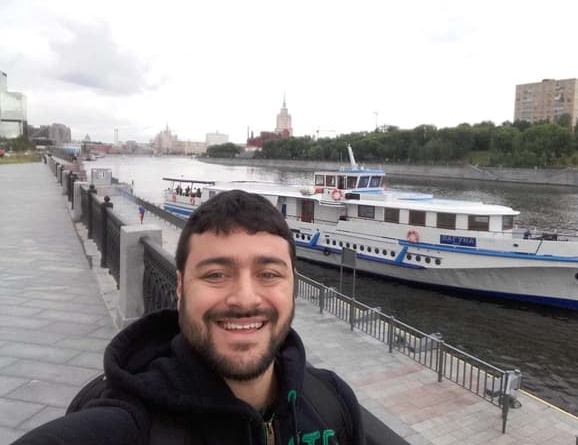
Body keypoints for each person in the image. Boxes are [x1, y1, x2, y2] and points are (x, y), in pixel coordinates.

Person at [12, 190, 364, 445]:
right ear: (180, 287)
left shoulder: (332, 400)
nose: (244, 298)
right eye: (215, 275)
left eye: (269, 274)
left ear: (293, 287)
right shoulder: (130, 422)